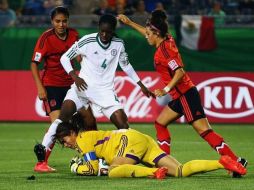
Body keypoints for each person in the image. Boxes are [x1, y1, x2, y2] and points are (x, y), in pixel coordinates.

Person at [117, 10, 247, 178]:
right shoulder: (166, 39)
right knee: (160, 123)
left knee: (204, 131)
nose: (146, 36)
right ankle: (165, 162)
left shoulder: (164, 52)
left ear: (156, 33)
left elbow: (179, 72)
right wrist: (130, 23)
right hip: (181, 95)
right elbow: (149, 33)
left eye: (149, 33)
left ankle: (235, 161)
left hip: (185, 94)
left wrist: (165, 89)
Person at [34, 13, 154, 173]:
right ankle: (42, 160)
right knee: (60, 120)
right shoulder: (87, 40)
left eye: (108, 32)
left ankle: (124, 158)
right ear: (98, 29)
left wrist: (141, 84)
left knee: (123, 125)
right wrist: (75, 76)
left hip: (104, 91)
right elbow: (64, 58)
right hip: (82, 88)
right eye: (102, 31)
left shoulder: (118, 44)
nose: (104, 35)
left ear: (113, 31)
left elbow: (126, 65)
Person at [53, 121, 246, 178]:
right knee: (180, 171)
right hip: (141, 139)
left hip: (126, 141)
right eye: (62, 142)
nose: (66, 143)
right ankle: (222, 162)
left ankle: (154, 172)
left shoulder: (83, 139)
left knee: (113, 171)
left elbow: (93, 169)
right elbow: (95, 162)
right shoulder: (87, 139)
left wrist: (75, 168)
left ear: (73, 132)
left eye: (65, 138)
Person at [31, 6, 82, 172]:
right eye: (57, 21)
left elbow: (81, 56)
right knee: (57, 124)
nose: (61, 24)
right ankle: (41, 163)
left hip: (70, 85)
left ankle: (86, 156)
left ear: (68, 21)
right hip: (52, 85)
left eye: (64, 21)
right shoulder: (46, 38)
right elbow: (34, 64)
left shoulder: (74, 35)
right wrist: (40, 87)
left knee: (72, 123)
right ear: (52, 21)